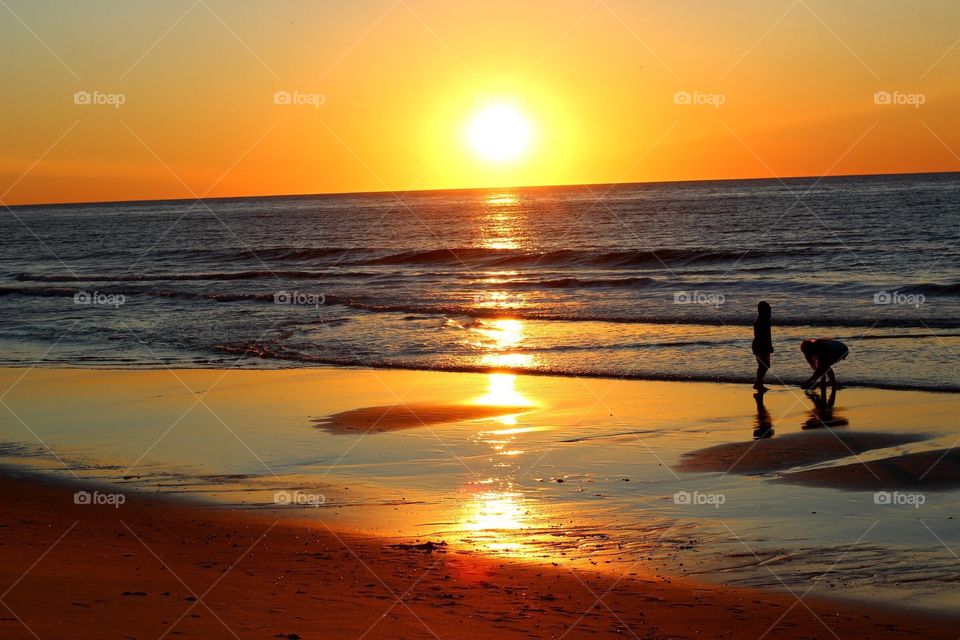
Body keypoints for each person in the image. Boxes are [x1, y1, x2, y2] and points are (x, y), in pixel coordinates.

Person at [751, 301, 773, 391]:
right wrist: (768, 345)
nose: (770, 310)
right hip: (760, 345)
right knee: (764, 365)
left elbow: (768, 335)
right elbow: (762, 336)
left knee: (763, 365)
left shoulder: (764, 320)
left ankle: (759, 383)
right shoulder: (761, 321)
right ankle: (758, 383)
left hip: (761, 344)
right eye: (768, 309)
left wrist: (770, 345)